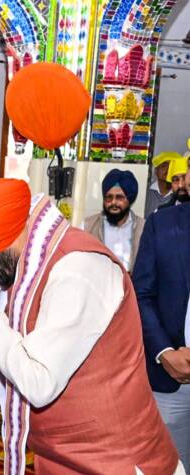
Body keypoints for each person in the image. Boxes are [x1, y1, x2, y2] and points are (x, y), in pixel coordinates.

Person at [0, 178, 180, 474]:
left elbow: (38, 381)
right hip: (60, 458)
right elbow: (9, 350)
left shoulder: (78, 270)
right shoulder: (26, 266)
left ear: (1, 235)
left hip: (114, 462)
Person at [133, 171, 190, 467]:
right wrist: (164, 352)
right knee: (166, 466)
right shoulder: (162, 223)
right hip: (171, 378)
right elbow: (142, 293)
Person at [82, 169, 144, 271]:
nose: (113, 202)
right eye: (109, 197)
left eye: (119, 197)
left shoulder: (143, 228)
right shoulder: (88, 226)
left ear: (130, 199)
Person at [146, 151, 181, 217]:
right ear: (156, 171)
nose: (168, 169)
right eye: (164, 166)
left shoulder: (181, 194)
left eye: (171, 166)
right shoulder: (145, 191)